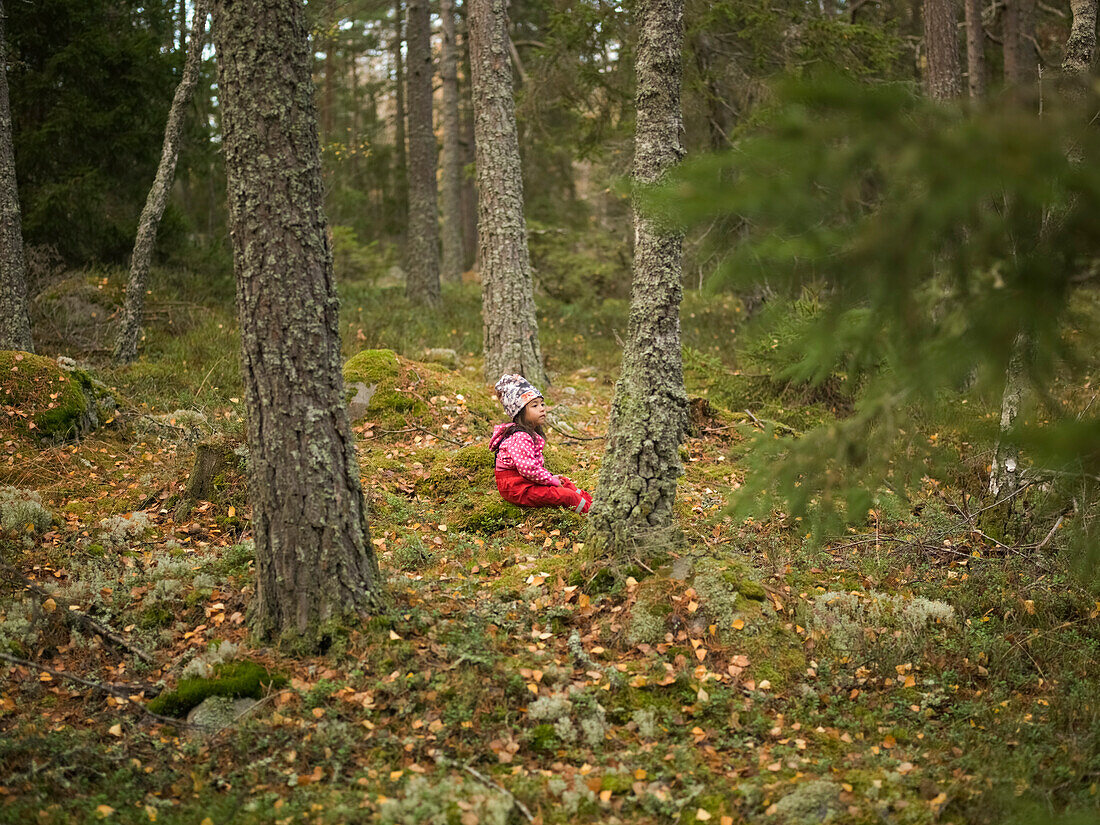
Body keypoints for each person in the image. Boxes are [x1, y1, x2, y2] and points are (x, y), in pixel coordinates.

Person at [490, 374, 592, 514]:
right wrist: (551, 481)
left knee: (564, 482)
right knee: (567, 496)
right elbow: (528, 469)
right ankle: (591, 515)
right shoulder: (520, 437)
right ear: (519, 411)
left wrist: (552, 478)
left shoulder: (528, 434)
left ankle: (593, 503)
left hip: (525, 483)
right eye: (535, 405)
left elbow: (532, 469)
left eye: (542, 404)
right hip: (517, 489)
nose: (542, 408)